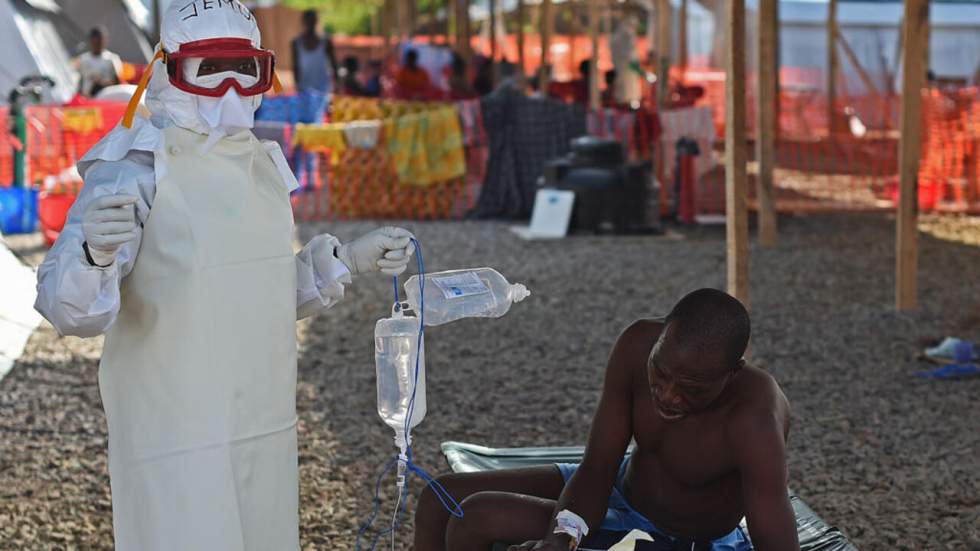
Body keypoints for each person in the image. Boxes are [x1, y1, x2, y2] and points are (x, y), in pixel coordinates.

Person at [34, 2, 416, 549]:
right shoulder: (135, 168)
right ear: (169, 70)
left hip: (264, 422)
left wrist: (347, 260)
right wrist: (92, 254)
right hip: (174, 431)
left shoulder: (260, 165)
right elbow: (71, 312)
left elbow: (255, 291)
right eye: (209, 70)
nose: (232, 89)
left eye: (246, 69)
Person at [414, 289, 800, 551]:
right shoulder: (636, 345)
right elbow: (598, 467)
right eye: (660, 373)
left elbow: (776, 541)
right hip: (618, 488)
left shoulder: (754, 420)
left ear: (732, 374)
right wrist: (562, 536)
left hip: (674, 536)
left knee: (476, 515)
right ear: (660, 336)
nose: (667, 394)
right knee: (440, 497)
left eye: (690, 388)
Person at [291, 9, 337, 99]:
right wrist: (298, 86)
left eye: (313, 20)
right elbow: (295, 67)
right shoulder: (296, 43)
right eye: (309, 20)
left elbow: (334, 64)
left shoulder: (326, 42)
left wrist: (338, 85)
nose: (311, 23)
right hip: (304, 88)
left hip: (323, 88)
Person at [75, 27, 122, 97]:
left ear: (104, 41)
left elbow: (117, 83)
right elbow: (81, 81)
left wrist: (101, 82)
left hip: (106, 98)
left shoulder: (111, 59)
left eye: (99, 41)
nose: (96, 44)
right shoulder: (83, 59)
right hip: (87, 99)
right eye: (94, 41)